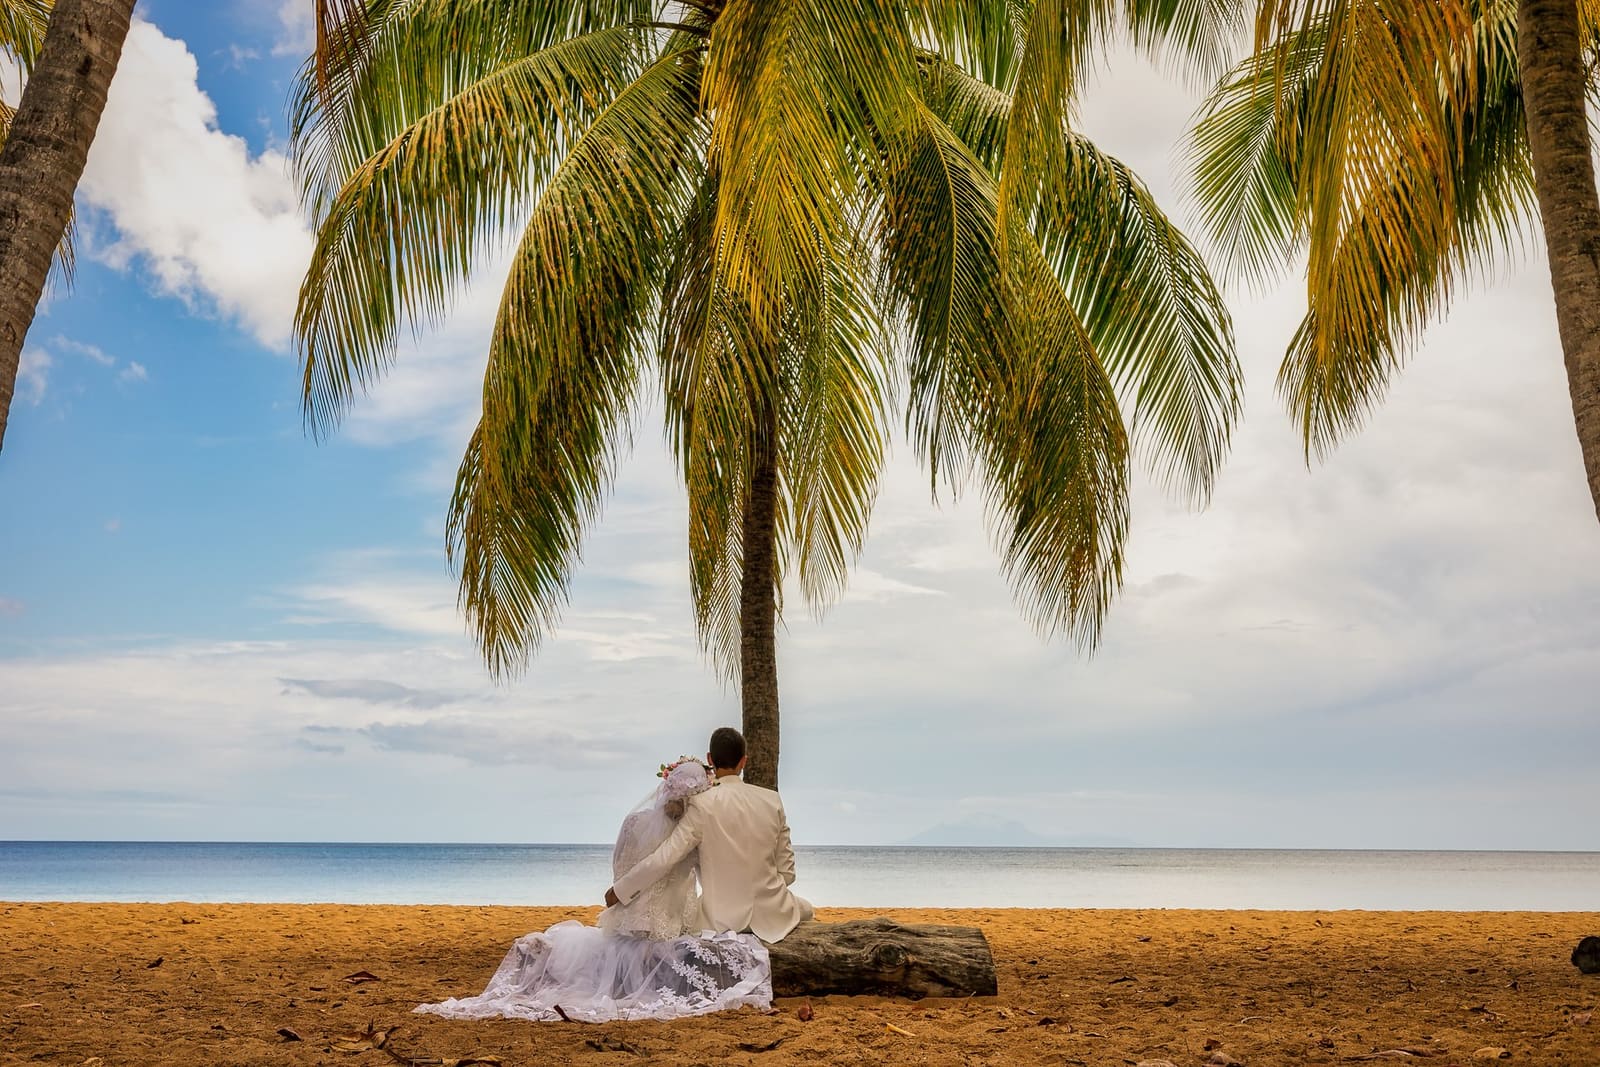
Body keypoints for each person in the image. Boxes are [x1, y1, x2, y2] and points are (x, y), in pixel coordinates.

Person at [414, 758, 771, 1022]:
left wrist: (620, 896)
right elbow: (692, 870)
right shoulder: (692, 832)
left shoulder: (633, 822)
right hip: (668, 925)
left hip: (623, 922)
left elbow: (620, 865)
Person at [606, 727, 814, 943]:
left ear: (710, 759)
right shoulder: (772, 800)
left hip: (721, 919)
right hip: (774, 915)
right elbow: (787, 873)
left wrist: (621, 890)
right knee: (806, 908)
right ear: (743, 761)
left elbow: (665, 857)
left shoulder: (701, 804)